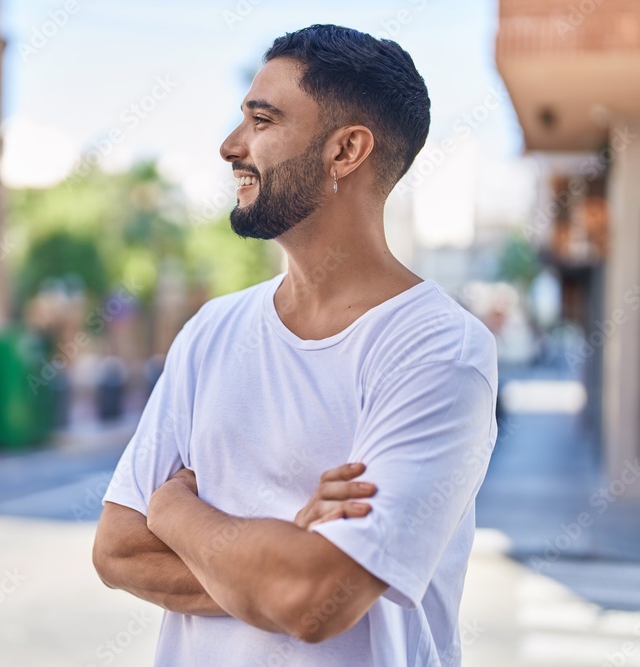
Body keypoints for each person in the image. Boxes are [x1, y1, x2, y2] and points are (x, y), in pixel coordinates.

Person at [92, 24, 498, 666]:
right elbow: (116, 551)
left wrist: (174, 511)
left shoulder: (438, 352)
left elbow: (315, 598)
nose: (230, 146)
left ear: (346, 151)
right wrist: (275, 558)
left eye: (262, 119)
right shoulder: (210, 332)